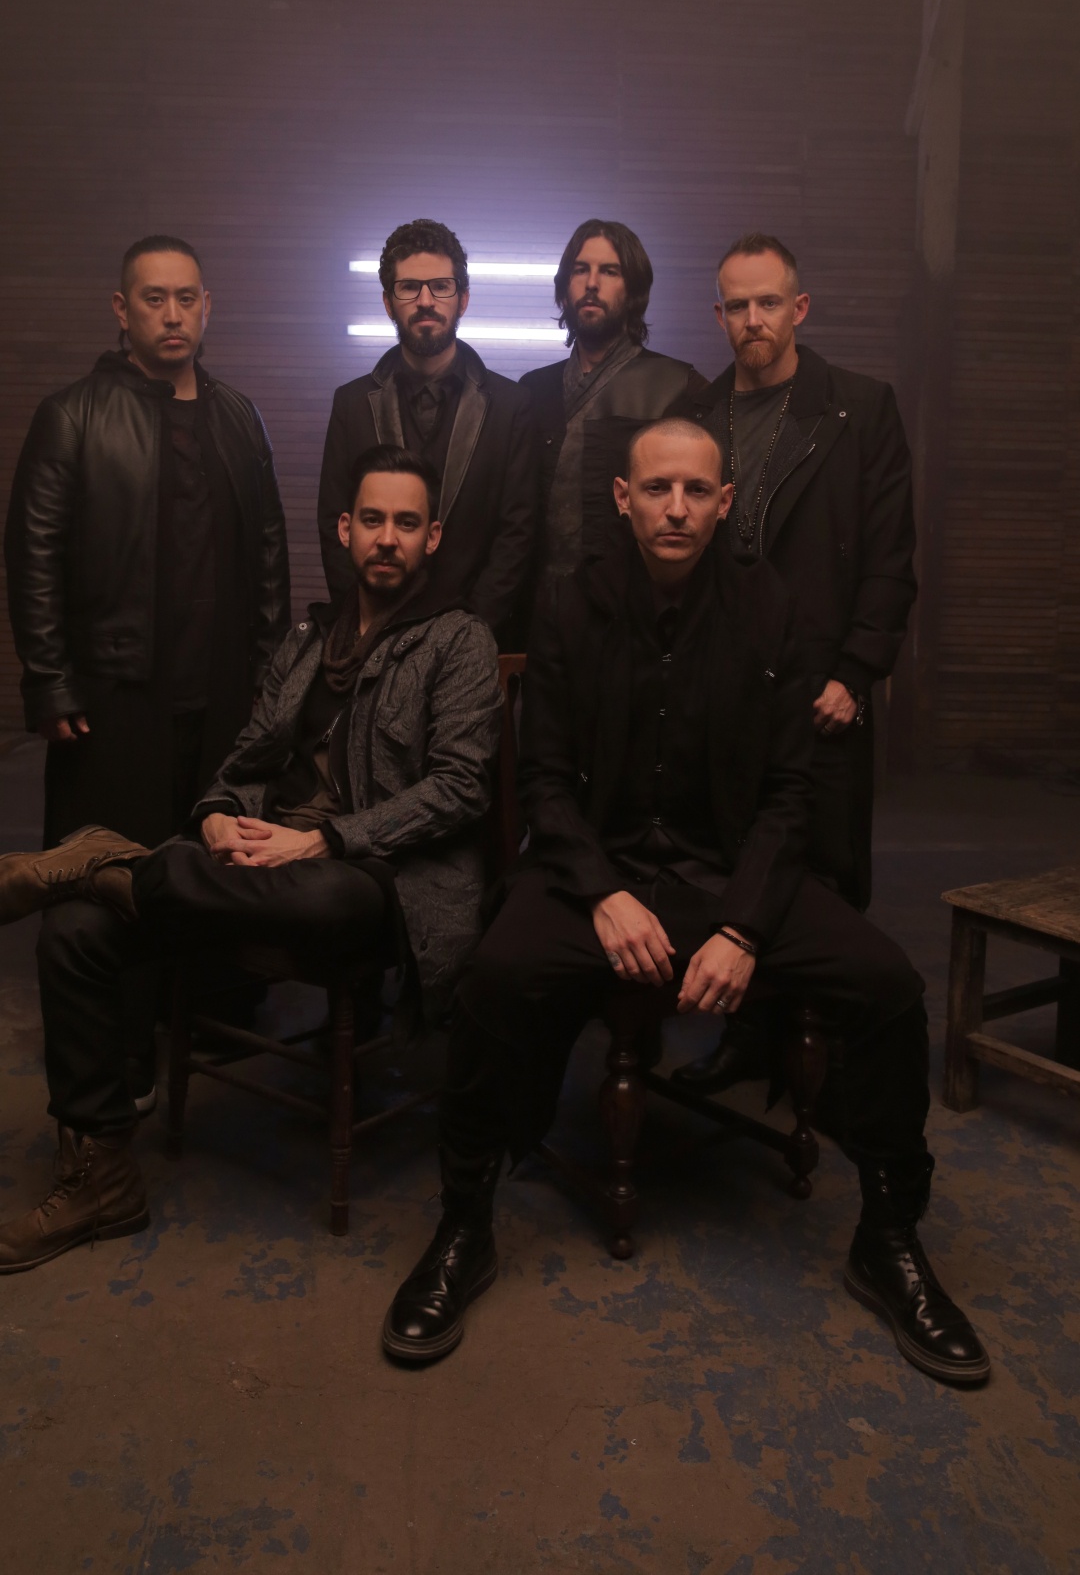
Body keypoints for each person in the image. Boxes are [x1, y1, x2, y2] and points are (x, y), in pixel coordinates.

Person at [381, 420, 988, 1388]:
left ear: (725, 502)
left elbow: (791, 792)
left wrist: (745, 925)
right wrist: (604, 894)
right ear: (623, 499)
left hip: (729, 875)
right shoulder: (571, 604)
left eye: (697, 491)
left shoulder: (772, 606)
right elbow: (545, 783)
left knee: (886, 984)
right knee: (492, 978)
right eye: (657, 489)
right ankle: (465, 1225)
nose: (676, 509)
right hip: (601, 871)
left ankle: (889, 1237)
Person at [0, 446, 503, 1274]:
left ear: (433, 536)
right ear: (344, 529)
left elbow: (460, 789)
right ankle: (100, 1177)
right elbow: (243, 761)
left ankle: (102, 863)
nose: (387, 538)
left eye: (407, 523)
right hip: (254, 866)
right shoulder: (307, 639)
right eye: (372, 520)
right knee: (76, 932)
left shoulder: (461, 641)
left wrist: (329, 839)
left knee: (322, 901)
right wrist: (214, 818)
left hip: (377, 876)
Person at [4, 234, 291, 1107]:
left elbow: (270, 554)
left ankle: (203, 1024)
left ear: (208, 309)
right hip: (113, 696)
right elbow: (33, 554)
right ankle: (118, 1059)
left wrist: (273, 685)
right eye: (155, 298)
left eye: (187, 298)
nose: (173, 315)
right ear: (122, 310)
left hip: (223, 697)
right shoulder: (73, 415)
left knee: (208, 868)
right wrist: (49, 680)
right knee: (109, 881)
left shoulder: (239, 416)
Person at [669, 232, 917, 1095]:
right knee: (735, 863)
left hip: (821, 687)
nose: (753, 319)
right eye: (737, 305)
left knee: (824, 871)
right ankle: (749, 1040)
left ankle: (832, 1063)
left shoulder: (859, 409)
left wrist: (857, 673)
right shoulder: (695, 413)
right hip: (724, 688)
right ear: (719, 315)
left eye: (768, 302)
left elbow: (891, 559)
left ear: (799, 308)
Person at [318, 218, 537, 643]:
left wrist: (468, 637)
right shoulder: (351, 404)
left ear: (463, 299)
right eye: (408, 288)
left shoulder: (512, 406)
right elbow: (335, 527)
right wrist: (368, 630)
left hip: (472, 640)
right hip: (372, 643)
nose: (425, 301)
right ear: (388, 302)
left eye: (440, 286)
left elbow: (516, 535)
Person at [519, 220, 708, 584]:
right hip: (539, 600)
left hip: (631, 600)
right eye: (580, 270)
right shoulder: (532, 390)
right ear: (564, 290)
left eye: (609, 271)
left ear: (633, 291)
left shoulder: (678, 387)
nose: (592, 283)